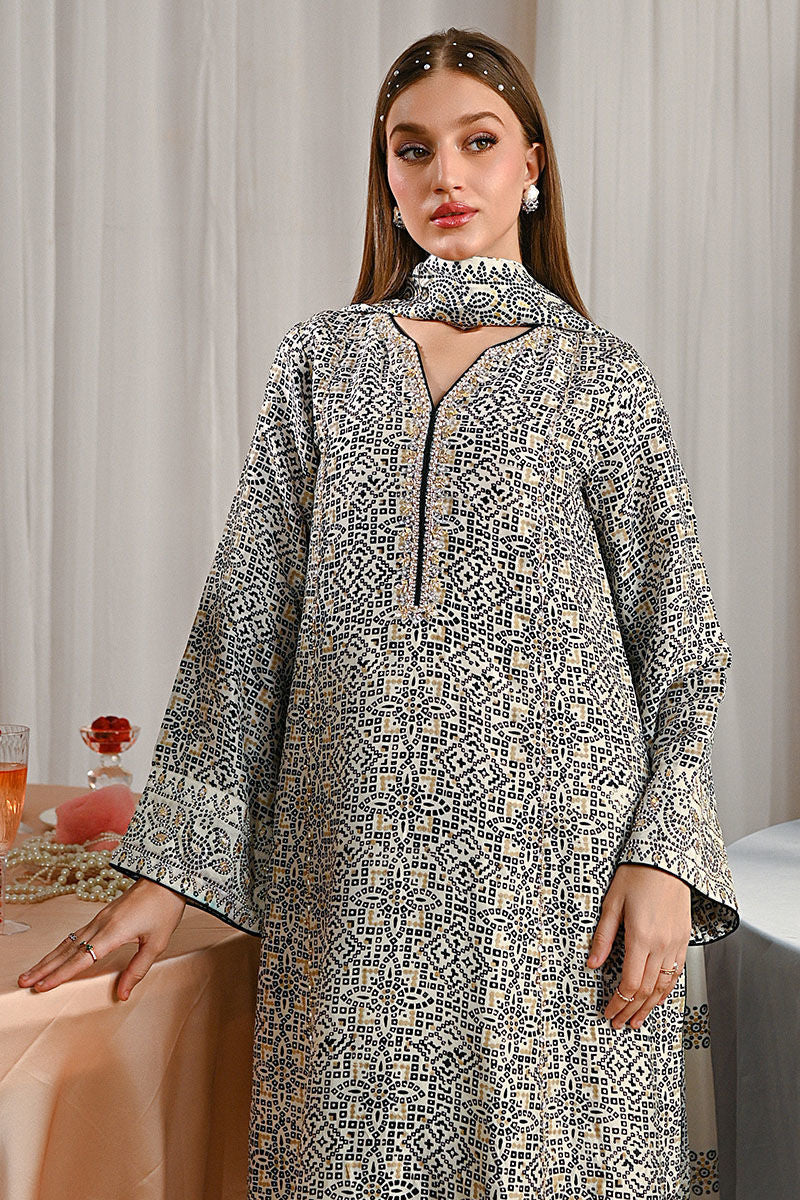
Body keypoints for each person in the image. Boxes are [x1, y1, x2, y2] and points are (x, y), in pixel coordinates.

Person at [18, 25, 740, 1198]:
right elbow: (244, 629)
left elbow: (680, 645)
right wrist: (165, 878)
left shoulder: (597, 376)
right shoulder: (322, 363)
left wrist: (662, 860)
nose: (444, 174)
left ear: (531, 165)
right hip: (346, 871)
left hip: (555, 884)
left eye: (477, 142)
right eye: (412, 150)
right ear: (385, 175)